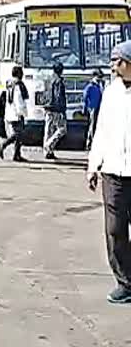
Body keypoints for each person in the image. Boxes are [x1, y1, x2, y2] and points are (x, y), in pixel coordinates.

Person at [87, 40, 131, 304]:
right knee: (115, 229)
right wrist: (93, 165)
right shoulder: (111, 92)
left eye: (117, 61)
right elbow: (101, 131)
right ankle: (125, 282)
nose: (113, 67)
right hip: (113, 171)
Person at [0, 66, 29, 162]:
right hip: (16, 112)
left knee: (18, 135)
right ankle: (3, 145)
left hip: (10, 111)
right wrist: (21, 113)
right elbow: (18, 100)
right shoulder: (18, 85)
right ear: (19, 74)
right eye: (21, 73)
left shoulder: (9, 83)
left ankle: (17, 155)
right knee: (18, 134)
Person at [43, 62, 67, 160]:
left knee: (48, 130)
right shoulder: (59, 81)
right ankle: (49, 145)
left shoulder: (48, 80)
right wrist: (62, 109)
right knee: (62, 129)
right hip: (56, 109)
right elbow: (58, 96)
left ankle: (48, 152)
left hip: (48, 107)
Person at [83, 69, 104, 151]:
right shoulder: (91, 86)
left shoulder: (100, 85)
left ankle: (92, 143)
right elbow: (85, 97)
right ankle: (90, 143)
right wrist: (85, 108)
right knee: (93, 125)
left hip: (99, 107)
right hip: (93, 107)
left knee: (95, 125)